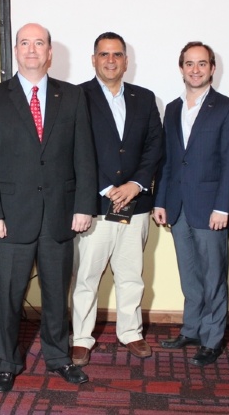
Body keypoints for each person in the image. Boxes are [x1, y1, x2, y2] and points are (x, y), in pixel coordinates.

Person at [0, 23, 97, 392]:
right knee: (8, 297)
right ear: (16, 51)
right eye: (24, 43)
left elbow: (85, 156)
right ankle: (6, 363)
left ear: (49, 53)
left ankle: (59, 358)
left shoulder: (72, 96)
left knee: (57, 295)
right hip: (10, 220)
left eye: (39, 43)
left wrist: (84, 206)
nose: (31, 49)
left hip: (60, 215)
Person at [70, 31, 162, 366]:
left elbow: (155, 146)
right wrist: (107, 187)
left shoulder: (145, 98)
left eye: (117, 54)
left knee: (131, 275)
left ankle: (131, 332)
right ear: (93, 59)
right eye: (104, 54)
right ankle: (81, 338)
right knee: (86, 277)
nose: (111, 60)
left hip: (136, 205)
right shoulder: (77, 97)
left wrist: (136, 184)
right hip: (94, 206)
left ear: (126, 60)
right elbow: (74, 149)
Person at [153, 41, 229, 366]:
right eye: (189, 63)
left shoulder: (228, 109)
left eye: (202, 63)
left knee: (214, 276)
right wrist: (160, 201)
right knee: (189, 275)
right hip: (177, 207)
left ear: (212, 68)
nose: (195, 69)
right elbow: (167, 161)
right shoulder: (172, 108)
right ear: (181, 68)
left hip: (210, 209)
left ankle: (212, 339)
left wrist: (223, 207)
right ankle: (191, 329)